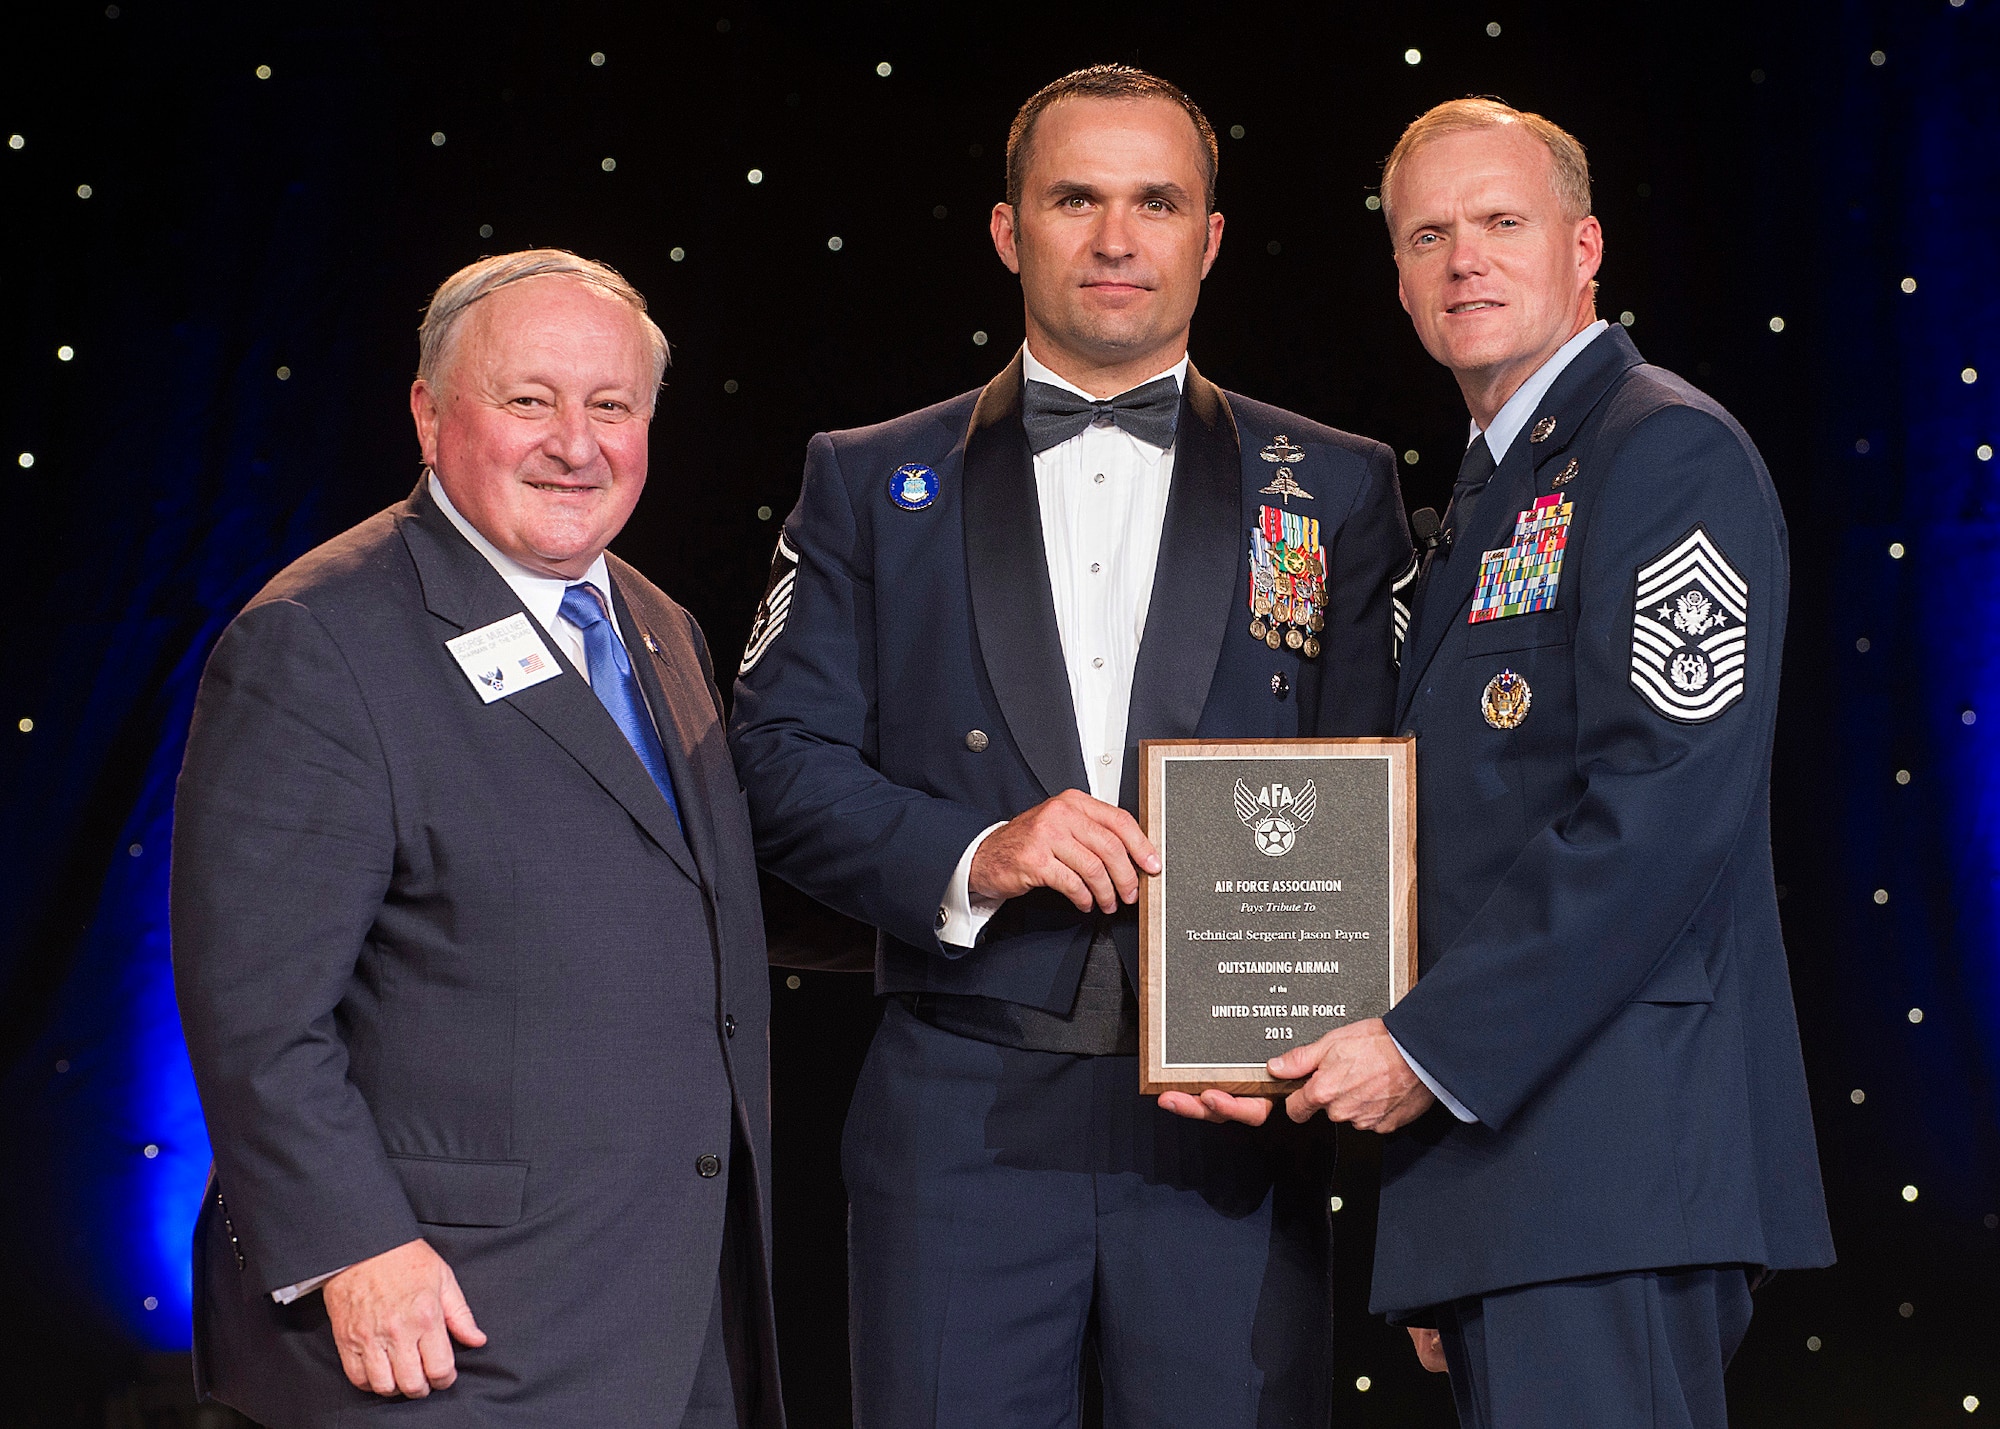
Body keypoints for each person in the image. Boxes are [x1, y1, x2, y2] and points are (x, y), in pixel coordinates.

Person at [729, 65, 1409, 1428]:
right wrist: (982, 850)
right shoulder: (870, 478)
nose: (1116, 236)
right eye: (1076, 198)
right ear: (1007, 229)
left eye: (1155, 201)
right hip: (956, 1110)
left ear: (1208, 238)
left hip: (1234, 1128)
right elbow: (777, 758)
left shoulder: (1337, 482)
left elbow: (1396, 780)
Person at [1170, 100, 1835, 1426]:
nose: (1464, 258)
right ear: (1403, 282)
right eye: (1429, 234)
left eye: (1500, 223)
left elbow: (1658, 815)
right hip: (1515, 1177)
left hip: (1607, 1165)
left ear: (1583, 247)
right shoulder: (1503, 487)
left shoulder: (1662, 451)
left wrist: (1422, 1053)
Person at [172, 250, 782, 1428]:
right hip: (441, 1334)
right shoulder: (319, 638)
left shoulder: (659, 625)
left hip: (666, 1321)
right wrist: (353, 1248)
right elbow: (254, 1010)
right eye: (528, 400)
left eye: (611, 406)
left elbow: (676, 905)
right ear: (428, 412)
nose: (576, 443)